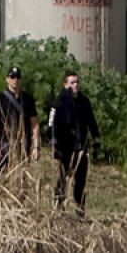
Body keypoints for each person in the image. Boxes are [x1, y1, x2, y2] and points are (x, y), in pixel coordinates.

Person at [48, 72, 100, 212]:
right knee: (63, 177)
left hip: (81, 147)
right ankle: (59, 207)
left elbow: (91, 122)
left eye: (77, 82)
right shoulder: (59, 101)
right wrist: (54, 143)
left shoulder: (84, 101)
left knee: (80, 180)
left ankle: (80, 209)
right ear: (65, 85)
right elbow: (51, 125)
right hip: (65, 146)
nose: (75, 85)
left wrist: (96, 140)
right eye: (72, 82)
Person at [0, 66, 38, 171]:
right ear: (7, 79)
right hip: (4, 144)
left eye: (17, 77)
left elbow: (34, 125)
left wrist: (36, 147)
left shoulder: (28, 99)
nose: (15, 80)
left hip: (23, 145)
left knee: (21, 179)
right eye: (12, 77)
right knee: (3, 177)